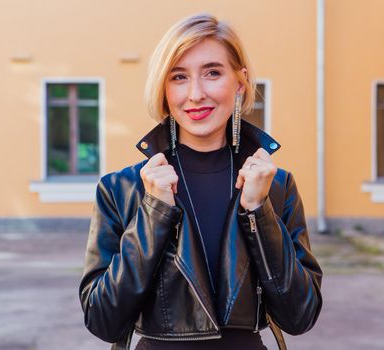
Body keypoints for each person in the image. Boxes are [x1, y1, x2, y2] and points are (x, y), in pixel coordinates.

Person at [79, 13, 322, 350]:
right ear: (164, 89)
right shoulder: (121, 189)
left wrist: (257, 210)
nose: (195, 94)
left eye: (212, 73)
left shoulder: (275, 186)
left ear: (240, 83)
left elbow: (301, 316)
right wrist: (154, 213)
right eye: (179, 77)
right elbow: (103, 319)